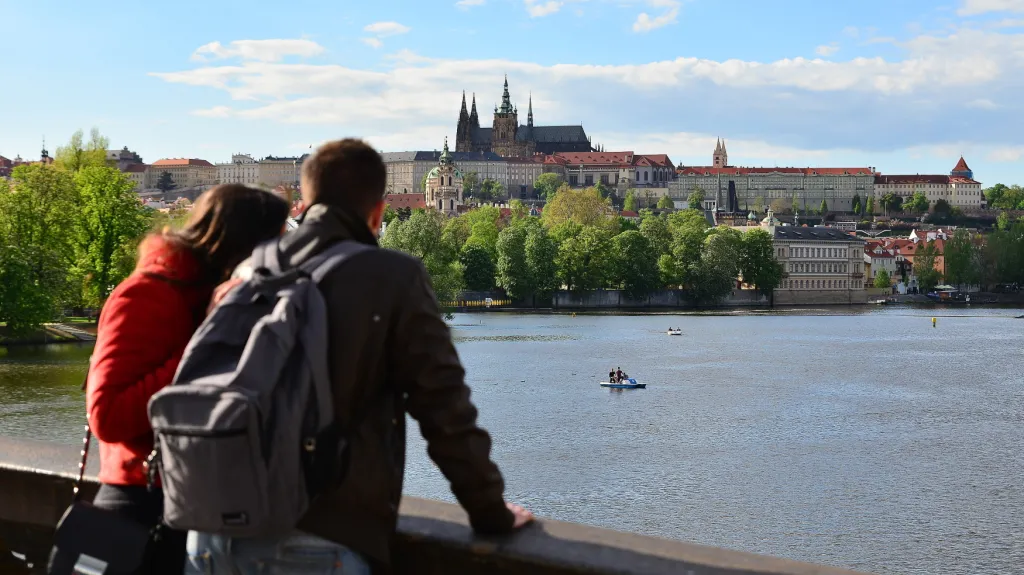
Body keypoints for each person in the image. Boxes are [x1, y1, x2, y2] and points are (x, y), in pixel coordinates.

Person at [185, 139, 533, 575]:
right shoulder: (391, 276)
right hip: (315, 537)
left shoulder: (250, 270)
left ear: (306, 201)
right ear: (378, 213)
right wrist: (491, 513)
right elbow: (444, 410)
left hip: (210, 528)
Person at [84, 185, 290, 574]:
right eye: (275, 243)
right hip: (141, 508)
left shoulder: (228, 300)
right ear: (244, 244)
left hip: (208, 509)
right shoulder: (145, 294)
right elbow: (106, 416)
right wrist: (208, 340)